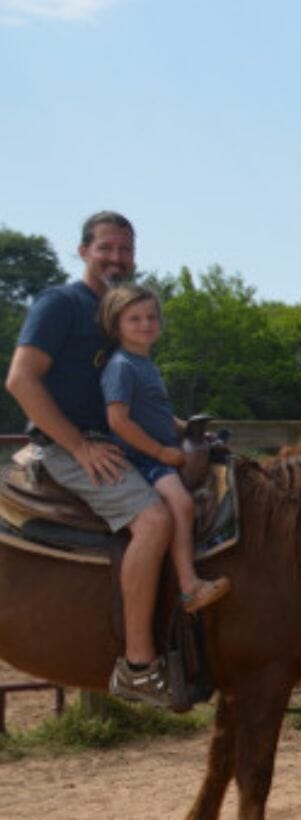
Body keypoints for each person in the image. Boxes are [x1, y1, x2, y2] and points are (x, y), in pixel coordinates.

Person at [3, 211, 181, 708]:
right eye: (106, 248)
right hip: (71, 446)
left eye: (125, 250)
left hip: (114, 442)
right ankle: (139, 664)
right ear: (83, 251)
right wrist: (78, 446)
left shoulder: (124, 312)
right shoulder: (60, 304)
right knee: (151, 520)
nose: (117, 259)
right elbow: (20, 380)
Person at [99, 284, 231, 615]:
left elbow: (158, 413)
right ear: (116, 326)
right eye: (135, 319)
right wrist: (160, 452)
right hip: (141, 457)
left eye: (151, 317)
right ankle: (189, 586)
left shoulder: (146, 364)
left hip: (158, 450)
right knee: (182, 504)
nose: (145, 324)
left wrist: (186, 428)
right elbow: (119, 421)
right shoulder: (121, 367)